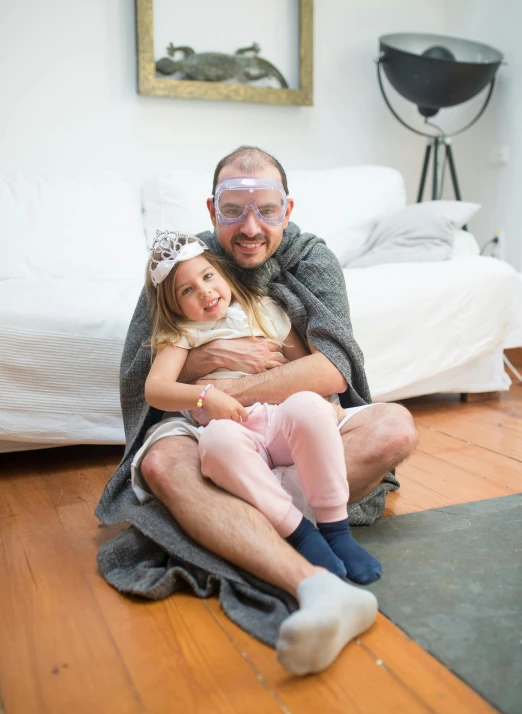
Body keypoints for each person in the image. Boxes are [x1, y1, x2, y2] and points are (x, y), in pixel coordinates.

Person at [97, 146, 418, 675]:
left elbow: (333, 369)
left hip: (287, 422)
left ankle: (221, 514)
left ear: (286, 211)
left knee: (394, 429)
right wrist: (209, 359)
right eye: (233, 211)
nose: (250, 227)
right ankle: (314, 584)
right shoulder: (186, 262)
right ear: (211, 210)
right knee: (160, 465)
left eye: (266, 210)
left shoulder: (311, 259)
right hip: (206, 426)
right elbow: (144, 373)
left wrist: (235, 389)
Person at [134, 229, 382, 586]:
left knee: (309, 407)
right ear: (173, 306)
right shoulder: (183, 334)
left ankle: (335, 530)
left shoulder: (261, 309)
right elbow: (155, 389)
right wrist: (205, 396)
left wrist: (328, 405)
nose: (204, 291)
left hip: (279, 418)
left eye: (208, 276)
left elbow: (304, 368)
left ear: (224, 274)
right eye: (186, 290)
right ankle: (300, 534)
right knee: (217, 442)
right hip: (232, 426)